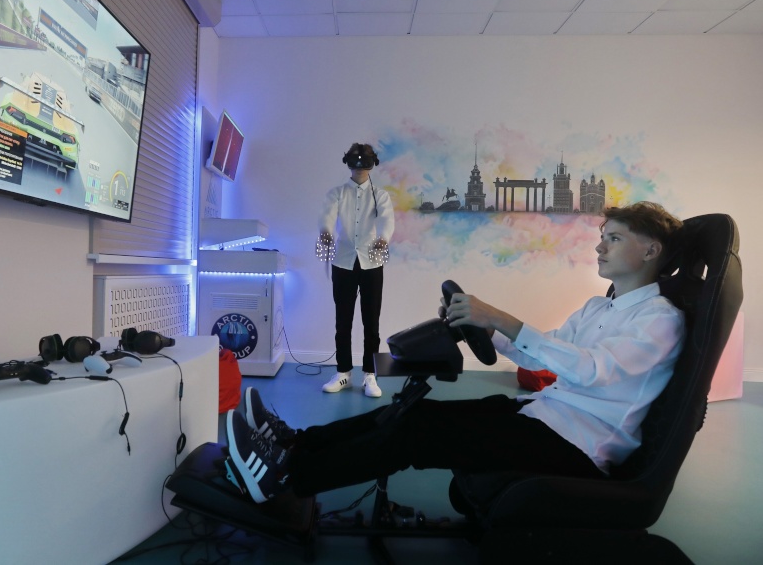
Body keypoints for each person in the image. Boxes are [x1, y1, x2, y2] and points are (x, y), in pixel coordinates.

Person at [225, 202, 685, 504]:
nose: (600, 246)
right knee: (410, 411)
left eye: (615, 238)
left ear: (651, 250)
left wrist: (501, 317)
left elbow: (591, 371)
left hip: (578, 446)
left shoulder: (660, 319)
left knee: (417, 432)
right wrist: (484, 326)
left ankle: (287, 477)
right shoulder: (597, 307)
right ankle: (294, 444)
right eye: (604, 236)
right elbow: (540, 358)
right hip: (544, 415)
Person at [317, 142, 396, 398]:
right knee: (343, 321)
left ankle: (370, 375)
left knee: (371, 322)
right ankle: (343, 372)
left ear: (373, 164)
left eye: (365, 162)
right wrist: (326, 233)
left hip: (372, 262)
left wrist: (383, 238)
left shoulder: (380, 195)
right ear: (348, 163)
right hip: (343, 262)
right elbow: (327, 217)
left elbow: (387, 219)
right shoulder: (337, 193)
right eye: (355, 162)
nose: (360, 167)